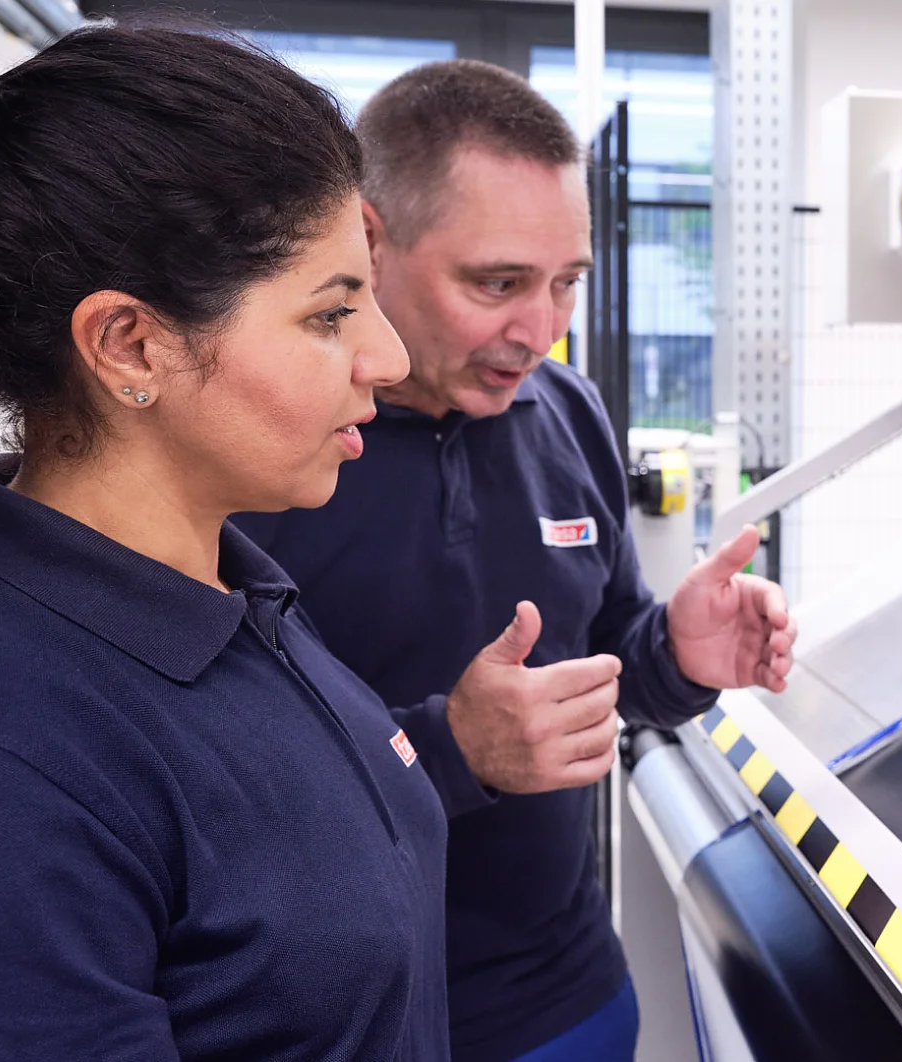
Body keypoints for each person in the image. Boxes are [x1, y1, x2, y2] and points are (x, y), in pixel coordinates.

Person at [0, 20, 453, 1061]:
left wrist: (460, 747)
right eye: (329, 315)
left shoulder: (234, 597)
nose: (389, 357)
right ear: (129, 343)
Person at [232, 60, 798, 1062]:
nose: (539, 332)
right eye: (496, 284)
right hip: (339, 1021)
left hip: (563, 997)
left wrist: (674, 649)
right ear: (369, 239)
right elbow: (208, 777)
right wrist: (448, 748)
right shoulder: (260, 447)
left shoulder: (567, 410)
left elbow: (610, 661)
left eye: (566, 284)